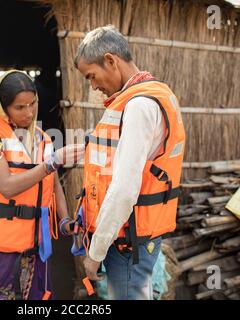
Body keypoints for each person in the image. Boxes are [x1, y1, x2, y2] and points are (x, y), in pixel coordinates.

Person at [73, 25, 186, 300]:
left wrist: (95, 253)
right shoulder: (155, 95)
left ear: (111, 60)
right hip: (135, 240)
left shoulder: (138, 106)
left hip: (126, 245)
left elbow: (124, 191)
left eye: (92, 76)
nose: (94, 86)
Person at [0, 70, 84, 300]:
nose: (29, 112)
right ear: (3, 108)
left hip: (34, 250)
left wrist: (64, 221)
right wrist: (52, 163)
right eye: (19, 107)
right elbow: (7, 186)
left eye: (32, 104)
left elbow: (54, 186)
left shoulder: (43, 138)